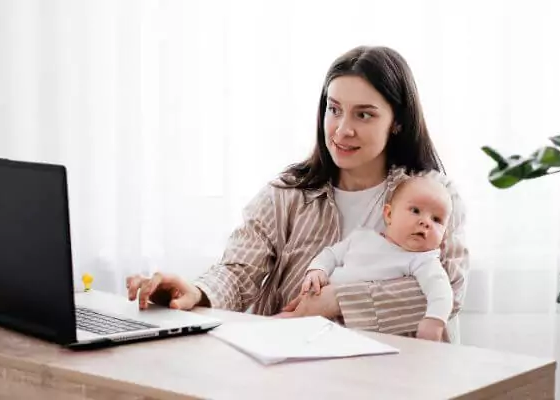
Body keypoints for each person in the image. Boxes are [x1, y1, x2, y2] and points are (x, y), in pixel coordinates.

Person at [126, 45, 470, 341]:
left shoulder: (435, 197)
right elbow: (237, 270)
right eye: (333, 109)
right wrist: (196, 292)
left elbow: (449, 290)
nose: (342, 129)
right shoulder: (287, 193)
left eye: (364, 115)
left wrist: (337, 301)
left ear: (397, 122)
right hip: (292, 372)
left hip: (395, 376)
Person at [300, 175, 454, 341]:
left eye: (436, 219)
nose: (426, 222)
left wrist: (434, 320)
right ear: (388, 214)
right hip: (317, 319)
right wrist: (318, 269)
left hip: (361, 331)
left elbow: (441, 289)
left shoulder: (422, 260)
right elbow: (331, 254)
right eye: (415, 211)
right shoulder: (361, 237)